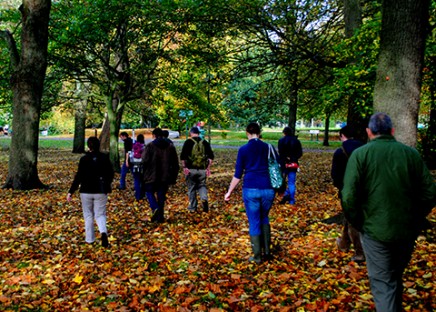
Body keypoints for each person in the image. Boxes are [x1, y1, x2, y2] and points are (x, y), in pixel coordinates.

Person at [342, 113, 436, 312]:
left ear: (369, 132)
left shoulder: (361, 155)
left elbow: (348, 196)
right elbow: (430, 192)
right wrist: (415, 217)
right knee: (393, 276)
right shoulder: (411, 154)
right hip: (404, 230)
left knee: (383, 282)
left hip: (375, 230)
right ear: (392, 131)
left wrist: (360, 222)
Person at [224, 122, 277, 263]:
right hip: (268, 188)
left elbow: (237, 174)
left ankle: (257, 256)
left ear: (247, 132)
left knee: (254, 221)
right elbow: (276, 167)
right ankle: (267, 252)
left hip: (250, 189)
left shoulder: (243, 150)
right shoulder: (269, 147)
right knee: (264, 217)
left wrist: (229, 191)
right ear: (259, 133)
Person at [67, 137, 114, 247]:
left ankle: (90, 239)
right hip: (101, 190)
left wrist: (71, 191)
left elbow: (78, 176)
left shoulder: (84, 159)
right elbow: (110, 173)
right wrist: (107, 183)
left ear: (89, 146)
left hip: (86, 190)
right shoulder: (104, 158)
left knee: (88, 215)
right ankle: (103, 232)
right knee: (100, 214)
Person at [331, 126, 365, 262]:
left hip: (347, 190)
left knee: (353, 221)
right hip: (365, 189)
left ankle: (360, 252)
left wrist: (341, 187)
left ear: (342, 136)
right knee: (349, 217)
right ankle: (344, 244)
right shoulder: (366, 149)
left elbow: (335, 175)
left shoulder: (340, 152)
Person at [142, 128, 179, 223]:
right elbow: (175, 163)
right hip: (165, 175)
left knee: (149, 192)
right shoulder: (170, 146)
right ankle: (160, 217)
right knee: (161, 195)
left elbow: (144, 160)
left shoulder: (150, 146)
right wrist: (173, 176)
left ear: (154, 135)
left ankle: (154, 208)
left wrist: (143, 173)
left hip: (151, 174)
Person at [180, 126, 214, 213]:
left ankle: (192, 207)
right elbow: (211, 157)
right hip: (202, 169)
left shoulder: (188, 142)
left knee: (191, 188)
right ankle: (204, 199)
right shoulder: (205, 142)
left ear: (191, 133)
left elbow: (183, 157)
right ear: (198, 133)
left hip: (191, 169)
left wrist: (184, 167)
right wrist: (208, 168)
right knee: (202, 185)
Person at [278, 126, 303, 204]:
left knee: (283, 181)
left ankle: (285, 195)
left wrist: (285, 159)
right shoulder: (296, 141)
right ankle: (291, 200)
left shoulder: (281, 141)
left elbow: (280, 153)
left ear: (284, 133)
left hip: (283, 164)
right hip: (293, 164)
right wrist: (293, 158)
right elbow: (300, 153)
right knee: (291, 182)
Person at [131, 134, 145, 200]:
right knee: (142, 180)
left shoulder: (134, 146)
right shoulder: (144, 146)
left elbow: (131, 155)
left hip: (135, 165)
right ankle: (142, 194)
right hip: (142, 166)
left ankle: (137, 195)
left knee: (136, 180)